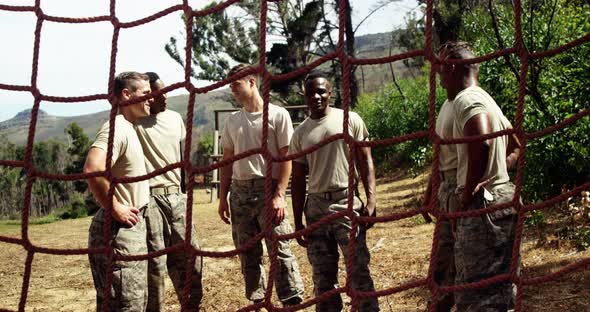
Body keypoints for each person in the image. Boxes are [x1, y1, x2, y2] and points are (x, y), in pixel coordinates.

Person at [434, 41, 521, 312]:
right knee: (492, 288)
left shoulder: (467, 99)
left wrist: (469, 190)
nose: (437, 75)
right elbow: (515, 144)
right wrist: (498, 170)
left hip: (482, 206)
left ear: (451, 67)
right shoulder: (482, 97)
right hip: (495, 197)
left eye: (440, 68)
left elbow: (482, 141)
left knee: (479, 295)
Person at [290, 72, 380, 312]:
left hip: (346, 202)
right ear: (305, 96)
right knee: (322, 277)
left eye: (321, 91)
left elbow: (366, 161)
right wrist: (298, 220)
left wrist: (371, 199)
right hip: (316, 208)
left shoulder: (349, 120)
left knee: (358, 268)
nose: (317, 97)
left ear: (331, 92)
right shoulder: (300, 133)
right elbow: (297, 180)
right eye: (311, 93)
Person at [217, 64, 304, 306]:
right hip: (240, 192)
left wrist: (279, 194)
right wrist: (223, 197)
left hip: (269, 189)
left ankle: (291, 300)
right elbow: (227, 162)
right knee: (248, 253)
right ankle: (257, 301)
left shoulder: (277, 115)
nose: (232, 88)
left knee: (279, 248)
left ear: (252, 82)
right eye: (230, 84)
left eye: (236, 83)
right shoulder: (232, 121)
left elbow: (287, 158)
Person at [84, 71, 152, 311]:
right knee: (125, 305)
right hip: (118, 233)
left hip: (131, 229)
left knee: (133, 302)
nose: (150, 99)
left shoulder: (130, 127)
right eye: (145, 93)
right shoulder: (117, 128)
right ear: (126, 94)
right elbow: (93, 168)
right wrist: (114, 207)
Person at [135, 72, 202, 311]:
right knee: (155, 267)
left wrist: (184, 193)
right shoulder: (132, 122)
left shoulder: (174, 118)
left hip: (177, 197)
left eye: (166, 92)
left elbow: (181, 159)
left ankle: (191, 305)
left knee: (191, 258)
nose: (165, 97)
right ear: (147, 97)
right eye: (159, 93)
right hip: (149, 199)